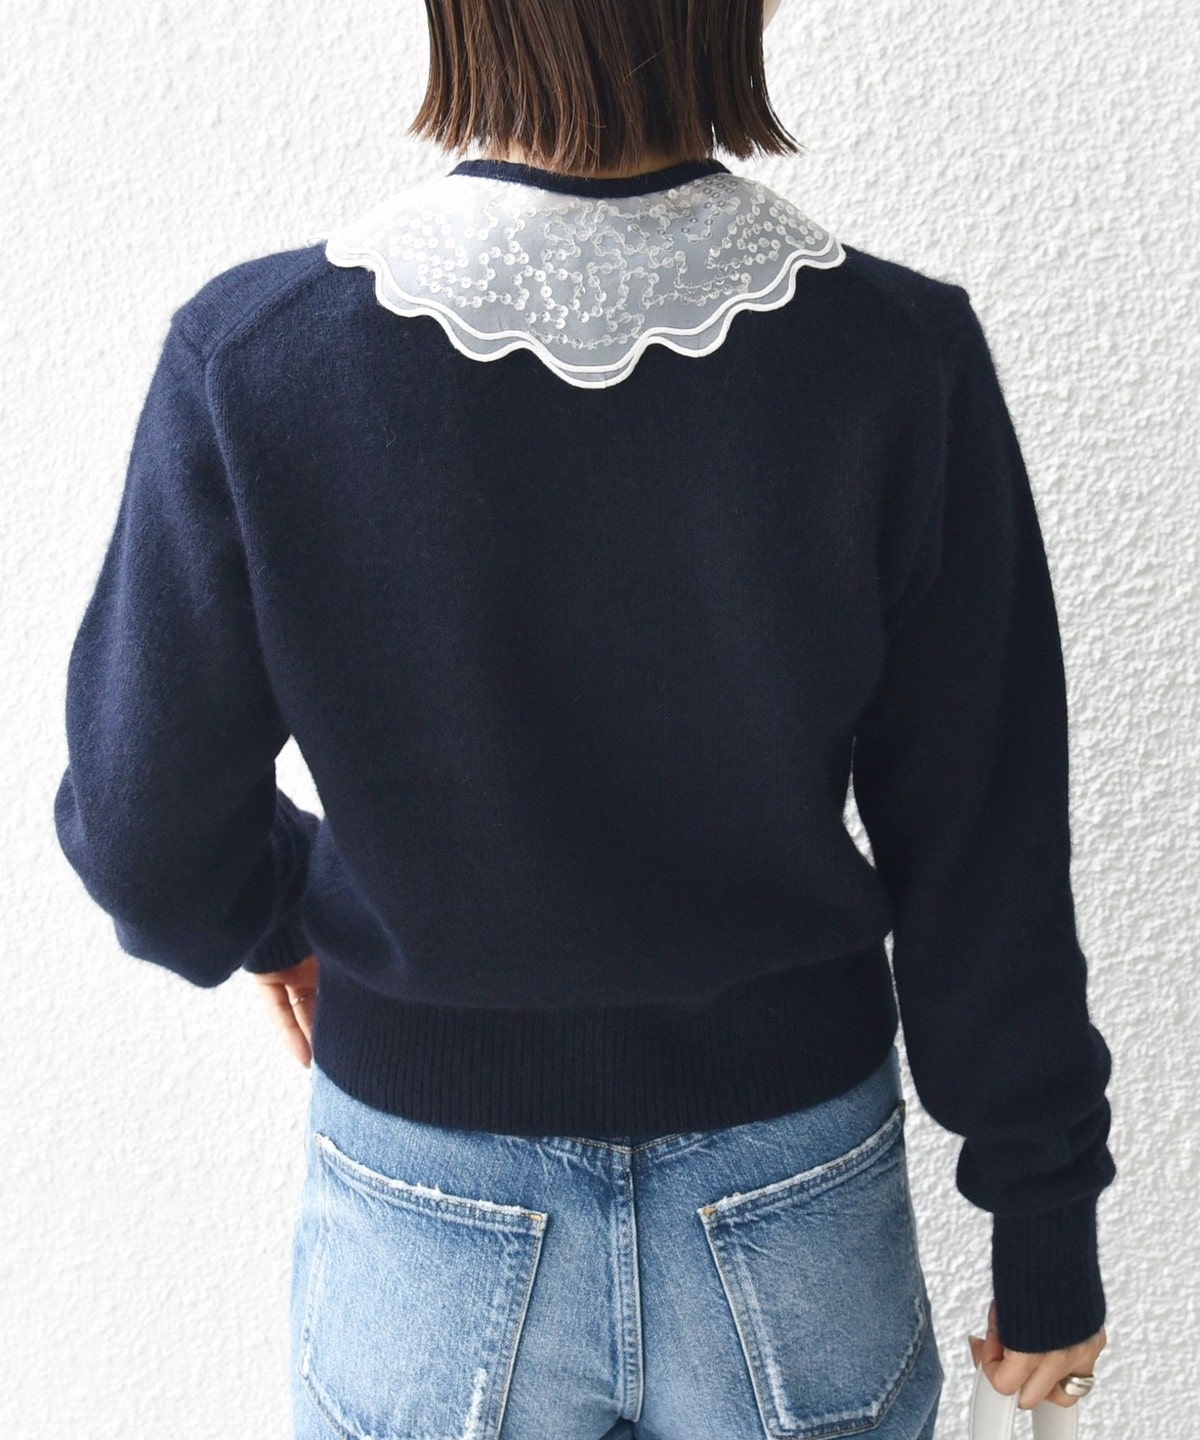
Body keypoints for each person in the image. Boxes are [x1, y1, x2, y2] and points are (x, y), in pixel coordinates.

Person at [52, 0, 1114, 1435]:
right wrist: (1043, 1222)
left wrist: (276, 913)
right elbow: (984, 837)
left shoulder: (255, 358)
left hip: (424, 1196)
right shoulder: (896, 355)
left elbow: (142, 827)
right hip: (793, 1189)